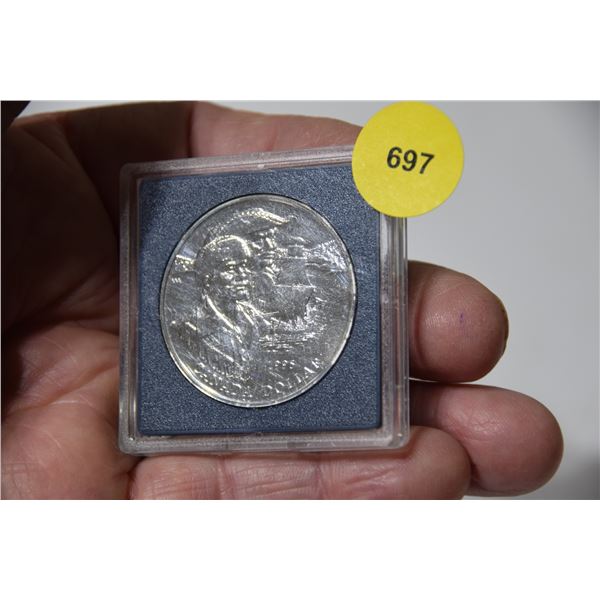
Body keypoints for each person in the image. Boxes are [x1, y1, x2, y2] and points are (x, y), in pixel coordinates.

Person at [1, 101, 563, 499]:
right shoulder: (213, 337)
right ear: (221, 279)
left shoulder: (276, 325)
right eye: (243, 266)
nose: (263, 272)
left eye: (265, 260)